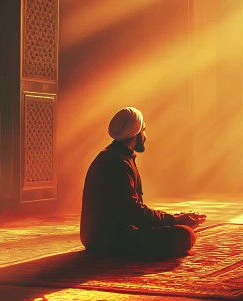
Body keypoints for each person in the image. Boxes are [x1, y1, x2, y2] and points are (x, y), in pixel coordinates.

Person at [80, 107, 207, 258]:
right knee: (185, 234)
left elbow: (133, 211)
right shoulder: (117, 163)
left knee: (180, 229)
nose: (145, 136)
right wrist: (174, 220)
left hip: (103, 236)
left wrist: (172, 219)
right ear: (136, 132)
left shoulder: (117, 156)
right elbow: (135, 214)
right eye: (144, 130)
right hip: (107, 239)